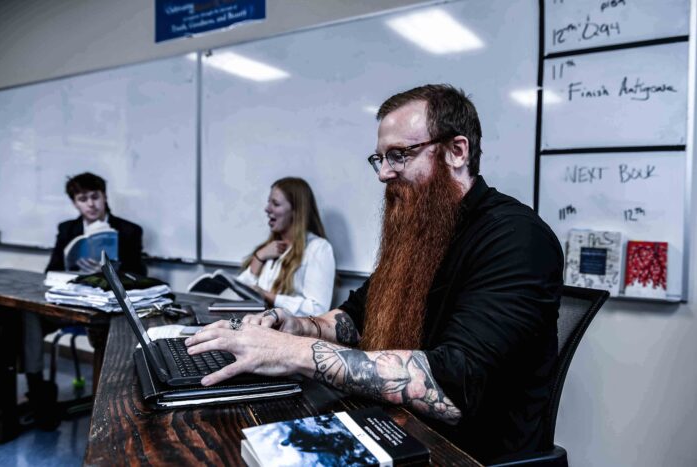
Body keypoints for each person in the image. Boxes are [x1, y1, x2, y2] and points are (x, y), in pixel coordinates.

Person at [185, 85, 563, 463]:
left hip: (466, 453)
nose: (384, 174)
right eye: (379, 158)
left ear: (456, 151)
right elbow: (354, 318)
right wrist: (293, 326)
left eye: (399, 155)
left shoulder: (517, 238)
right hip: (396, 427)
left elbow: (455, 387)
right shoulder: (424, 232)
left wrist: (292, 352)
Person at [23, 172, 146, 429]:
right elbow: (51, 271)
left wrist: (114, 270)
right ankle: (38, 391)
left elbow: (140, 276)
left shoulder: (128, 230)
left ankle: (109, 401)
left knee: (117, 328)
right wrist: (72, 269)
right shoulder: (67, 229)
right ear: (74, 203)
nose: (90, 204)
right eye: (82, 199)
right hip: (69, 305)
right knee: (25, 314)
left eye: (95, 197)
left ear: (104, 196)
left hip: (105, 308)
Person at [235, 177, 335, 316]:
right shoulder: (269, 248)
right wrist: (259, 256)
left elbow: (317, 310)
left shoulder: (318, 249)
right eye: (268, 202)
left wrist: (268, 296)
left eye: (275, 204)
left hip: (286, 334)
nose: (267, 209)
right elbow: (238, 295)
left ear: (296, 211)